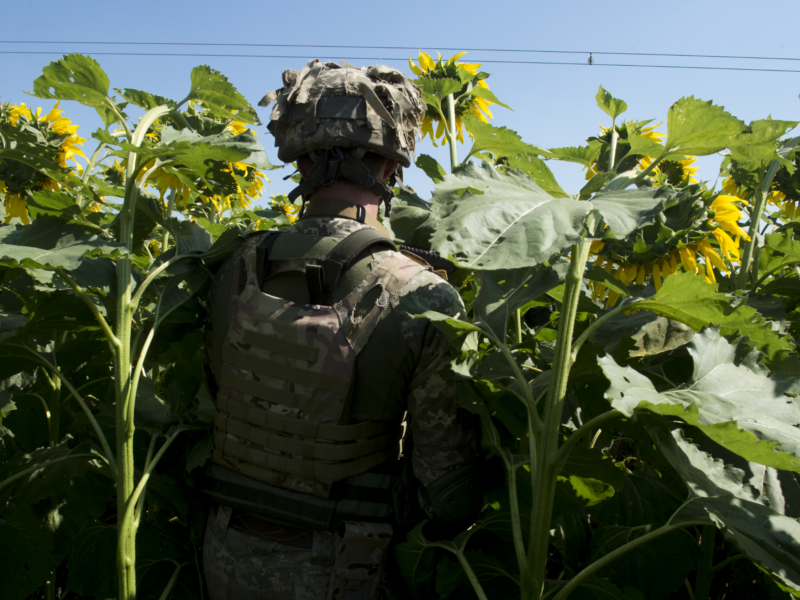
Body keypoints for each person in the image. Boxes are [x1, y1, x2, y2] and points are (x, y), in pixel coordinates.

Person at [200, 59, 484, 600]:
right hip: (347, 565)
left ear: (298, 155)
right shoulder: (421, 294)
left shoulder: (235, 268)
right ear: (393, 158)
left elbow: (223, 396)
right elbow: (447, 490)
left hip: (224, 551)